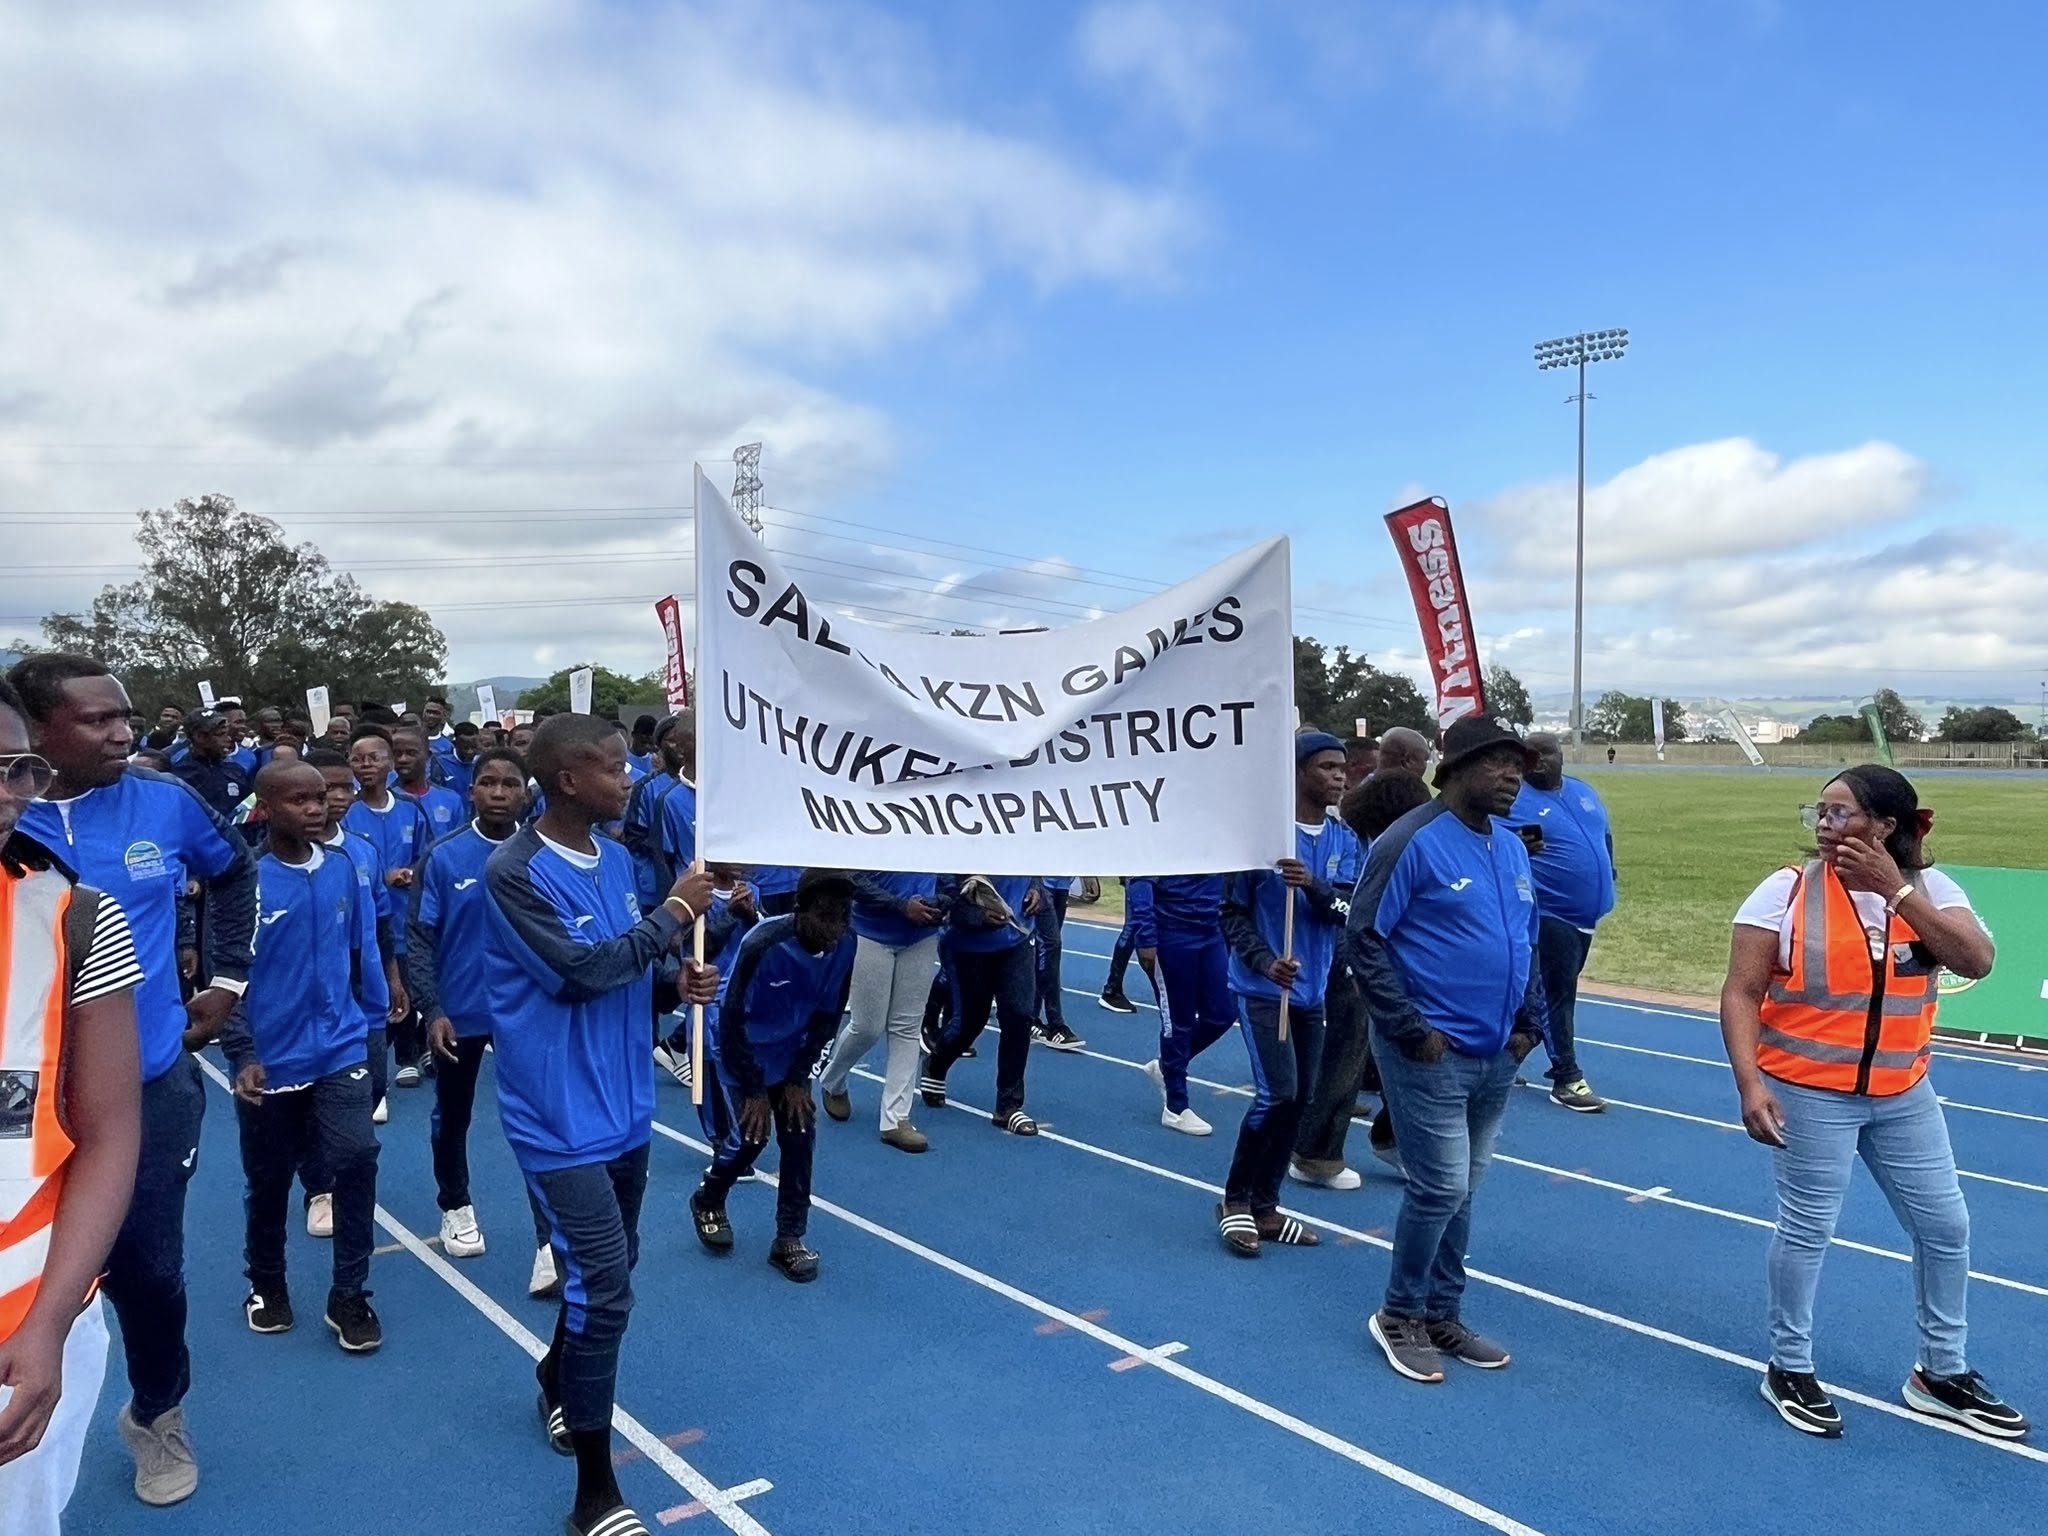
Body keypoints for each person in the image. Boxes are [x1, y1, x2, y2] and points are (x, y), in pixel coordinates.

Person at [9, 653, 256, 1508]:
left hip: (147, 1084)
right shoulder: (11, 815)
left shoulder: (165, 799)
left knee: (146, 1271)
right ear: (38, 731)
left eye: (125, 716)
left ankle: (156, 1412)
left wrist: (230, 978)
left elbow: (235, 871)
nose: (123, 733)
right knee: (30, 1271)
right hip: (25, 1101)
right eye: (98, 720)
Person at [1721, 766, 2025, 1441]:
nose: (1825, 826)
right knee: (1807, 1229)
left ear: (1885, 827)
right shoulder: (1786, 889)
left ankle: (1940, 1372)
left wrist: (1897, 891)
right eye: (1819, 813)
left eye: (1840, 813)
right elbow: (1742, 989)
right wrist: (1750, 1083)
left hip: (1903, 1093)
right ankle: (1788, 1366)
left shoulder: (1932, 889)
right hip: (1808, 1091)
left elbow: (1976, 961)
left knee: (1946, 1227)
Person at [478, 714, 716, 1536]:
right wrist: (674, 915)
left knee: (610, 1270)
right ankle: (595, 1495)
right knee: (607, 1293)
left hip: (625, 1105)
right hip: (557, 1115)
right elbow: (579, 972)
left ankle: (556, 1374)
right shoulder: (513, 872)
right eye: (615, 768)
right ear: (569, 780)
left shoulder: (615, 859)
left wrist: (673, 984)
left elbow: (627, 965)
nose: (631, 778)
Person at [1348, 715, 1547, 1384]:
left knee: (1463, 1189)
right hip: (1430, 1051)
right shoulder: (1411, 840)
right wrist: (1412, 1029)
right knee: (1439, 1187)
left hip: (1498, 1052)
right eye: (1499, 763)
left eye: (1519, 765)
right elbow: (1365, 937)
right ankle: (1399, 1313)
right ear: (1456, 768)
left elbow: (1526, 940)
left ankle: (1442, 1314)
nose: (1513, 776)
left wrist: (1530, 1026)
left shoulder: (1511, 847)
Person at [0, 677, 144, 1536]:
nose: (5, 793)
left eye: (18, 769)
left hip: (22, 1318)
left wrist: (51, 1326)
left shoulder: (76, 919)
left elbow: (109, 1131)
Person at [216, 762, 384, 1353]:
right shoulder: (245, 881)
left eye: (321, 797)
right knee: (269, 1181)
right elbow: (224, 979)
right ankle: (266, 1284)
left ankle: (350, 1293)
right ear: (265, 808)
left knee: (357, 1157)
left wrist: (371, 1022)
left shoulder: (342, 867)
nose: (316, 808)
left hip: (340, 1046)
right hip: (271, 1060)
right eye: (299, 800)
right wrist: (243, 1052)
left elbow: (358, 951)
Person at [408, 747, 558, 1292]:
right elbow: (420, 937)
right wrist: (433, 1008)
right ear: (470, 791)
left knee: (540, 1122)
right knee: (454, 1115)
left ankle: (549, 1242)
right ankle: (455, 1203)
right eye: (488, 782)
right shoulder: (444, 855)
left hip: (527, 1013)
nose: (498, 792)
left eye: (510, 783)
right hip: (461, 1014)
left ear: (527, 793)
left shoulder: (545, 854)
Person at [1216, 733, 1360, 1257]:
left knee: (1301, 1099)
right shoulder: (1262, 839)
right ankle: (1235, 1199)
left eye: (1342, 767)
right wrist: (1265, 962)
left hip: (1313, 989)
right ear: (1297, 772)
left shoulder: (1346, 840)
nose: (1339, 776)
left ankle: (1267, 1205)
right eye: (1326, 767)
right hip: (1263, 989)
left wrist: (1316, 887)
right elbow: (1231, 913)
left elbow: (1352, 910)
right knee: (1276, 1094)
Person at [690, 869, 856, 1280]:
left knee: (800, 1134)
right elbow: (731, 1018)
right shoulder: (762, 944)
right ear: (800, 910)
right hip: (742, 1047)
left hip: (791, 1050)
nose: (835, 928)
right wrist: (754, 1090)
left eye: (843, 916)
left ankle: (789, 1237)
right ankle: (709, 1197)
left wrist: (798, 1077)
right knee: (751, 1137)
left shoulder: (847, 944)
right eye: (826, 916)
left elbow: (828, 1016)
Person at [1289, 769, 1434, 1191]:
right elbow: (1349, 909)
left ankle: (1394, 1138)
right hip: (1352, 960)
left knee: (1401, 1054)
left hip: (1393, 961)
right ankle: (1315, 1154)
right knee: (1346, 1056)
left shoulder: (1393, 846)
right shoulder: (1364, 846)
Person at [1500, 732, 1615, 1113]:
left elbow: (1603, 834)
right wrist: (1519, 841)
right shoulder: (1513, 798)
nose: (1540, 762)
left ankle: (1502, 1056)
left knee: (1532, 990)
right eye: (1531, 756)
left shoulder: (1583, 792)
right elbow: (1488, 840)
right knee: (1557, 994)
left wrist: (1608, 869)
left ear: (1561, 755)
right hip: (1548, 913)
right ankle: (1566, 1077)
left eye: (1546, 753)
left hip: (1586, 916)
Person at [818, 871, 945, 1152]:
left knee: (907, 1028)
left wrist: (941, 901)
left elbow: (952, 876)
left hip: (922, 936)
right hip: (871, 932)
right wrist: (901, 906)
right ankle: (832, 1079)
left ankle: (896, 1119)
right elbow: (854, 879)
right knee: (867, 1027)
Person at [920, 874, 1045, 1135]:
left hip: (1018, 935)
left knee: (1019, 1015)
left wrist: (1035, 887)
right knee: (970, 1022)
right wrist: (974, 915)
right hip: (968, 944)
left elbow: (1034, 861)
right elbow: (940, 887)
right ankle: (936, 1063)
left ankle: (1008, 1105)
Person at [343, 726, 431, 1090]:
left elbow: (426, 855)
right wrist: (382, 876)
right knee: (367, 987)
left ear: (390, 763)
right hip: (362, 920)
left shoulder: (410, 809)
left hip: (404, 915)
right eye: (357, 759)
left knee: (405, 983)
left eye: (373, 758)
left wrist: (412, 873)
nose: (365, 765)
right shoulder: (347, 812)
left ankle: (408, 1056)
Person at [1131, 875, 1233, 1136]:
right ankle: (1176, 1106)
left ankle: (1167, 1066)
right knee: (1178, 1021)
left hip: (1212, 931)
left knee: (1223, 1013)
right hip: (1171, 934)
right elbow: (1141, 878)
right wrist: (1146, 936)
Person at [1030, 876, 1085, 1050]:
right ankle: (1055, 1024)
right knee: (1049, 946)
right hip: (1041, 883)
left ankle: (1032, 1017)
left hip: (1062, 882)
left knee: (1046, 949)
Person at [168, 709, 249, 822]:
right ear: (200, 737)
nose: (228, 739)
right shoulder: (181, 774)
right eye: (220, 734)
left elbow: (248, 810)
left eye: (227, 733)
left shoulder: (236, 770)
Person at [390, 723, 466, 842]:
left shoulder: (451, 800)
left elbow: (459, 844)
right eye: (397, 754)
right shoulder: (385, 802)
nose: (403, 759)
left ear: (427, 755)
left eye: (411, 753)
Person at [1096, 879, 1155, 1015]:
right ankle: (1112, 989)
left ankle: (1112, 988)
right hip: (1142, 877)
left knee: (1136, 927)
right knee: (1134, 927)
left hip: (1154, 877)